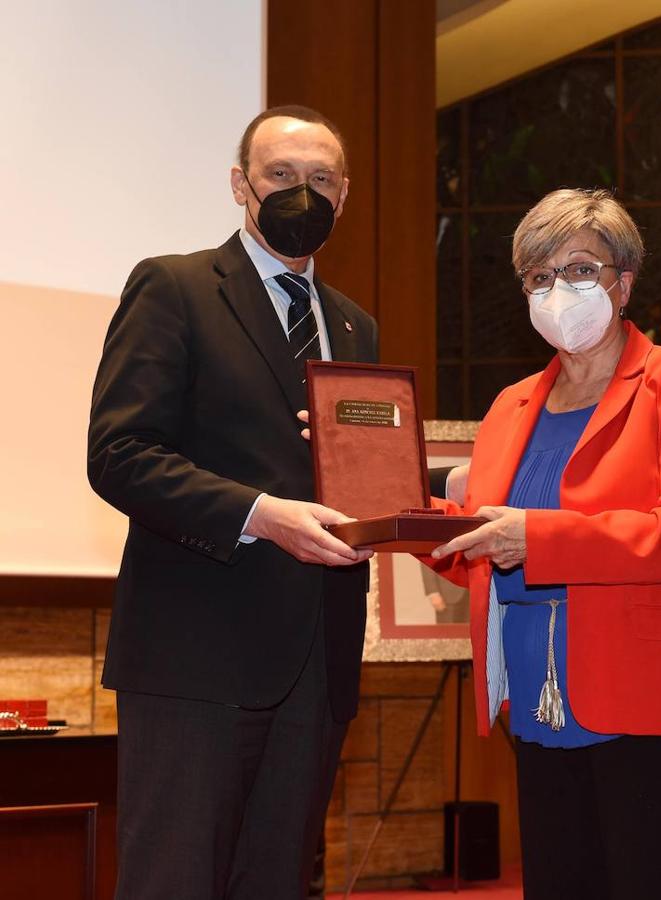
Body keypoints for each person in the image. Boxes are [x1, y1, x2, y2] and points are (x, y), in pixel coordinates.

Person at [427, 188, 661, 900]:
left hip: (656, 708)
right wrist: (398, 516)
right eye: (539, 277)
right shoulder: (509, 406)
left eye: (579, 270)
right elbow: (482, 551)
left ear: (623, 280)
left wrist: (533, 536)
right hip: (540, 710)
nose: (558, 291)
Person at [88, 105, 377, 900]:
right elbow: (120, 455)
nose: (302, 193)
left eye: (321, 179)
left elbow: (358, 472)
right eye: (282, 175)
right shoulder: (174, 286)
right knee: (174, 881)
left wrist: (403, 503)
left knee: (278, 881)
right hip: (196, 659)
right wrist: (261, 514)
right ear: (240, 184)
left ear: (344, 194)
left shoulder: (354, 325)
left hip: (316, 661)